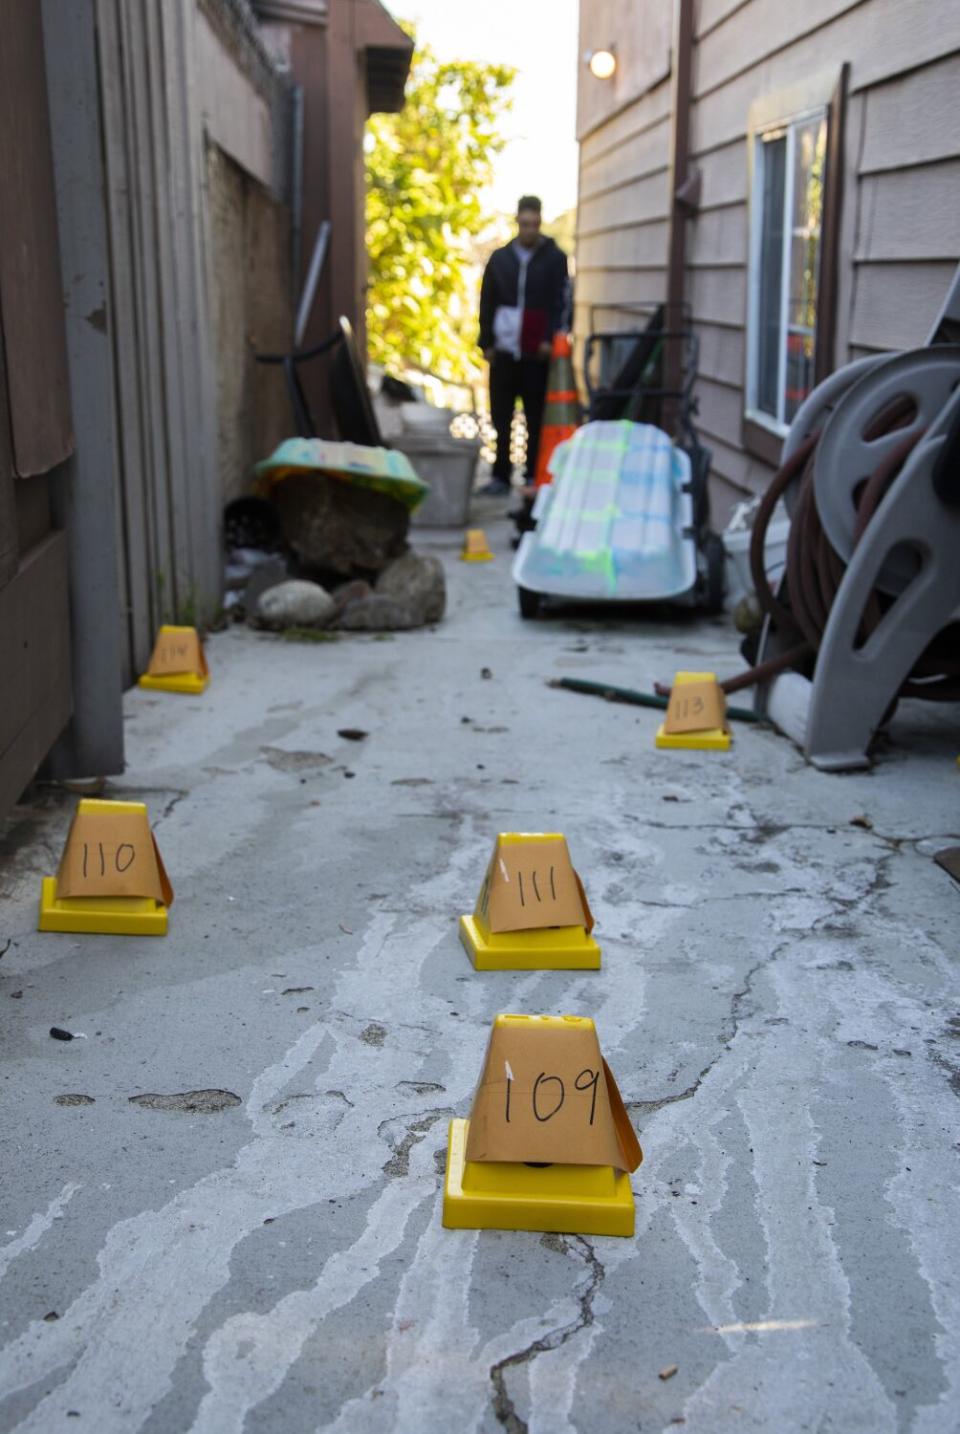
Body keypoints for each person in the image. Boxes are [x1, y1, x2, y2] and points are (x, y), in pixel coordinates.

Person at [477, 196, 569, 498]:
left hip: (535, 353)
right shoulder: (500, 259)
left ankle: (532, 473)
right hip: (504, 352)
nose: (529, 230)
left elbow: (561, 301)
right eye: (524, 224)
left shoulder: (554, 259)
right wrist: (486, 341)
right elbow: (487, 301)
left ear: (540, 223)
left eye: (534, 224)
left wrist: (551, 339)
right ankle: (500, 475)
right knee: (501, 416)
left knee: (535, 416)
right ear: (517, 222)